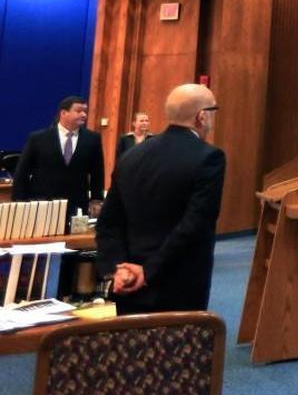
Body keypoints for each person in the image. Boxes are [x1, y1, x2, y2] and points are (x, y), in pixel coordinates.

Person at [96, 83, 226, 313]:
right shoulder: (208, 157)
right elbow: (195, 224)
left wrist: (119, 269)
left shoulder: (131, 156)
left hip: (128, 282)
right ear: (202, 117)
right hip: (178, 282)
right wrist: (148, 271)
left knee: (131, 336)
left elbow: (108, 222)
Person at [13, 96, 105, 219]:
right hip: (43, 204)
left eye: (85, 111)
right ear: (63, 113)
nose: (84, 115)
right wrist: (19, 202)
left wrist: (96, 199)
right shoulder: (38, 138)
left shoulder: (92, 139)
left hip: (77, 204)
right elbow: (22, 172)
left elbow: (97, 172)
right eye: (78, 111)